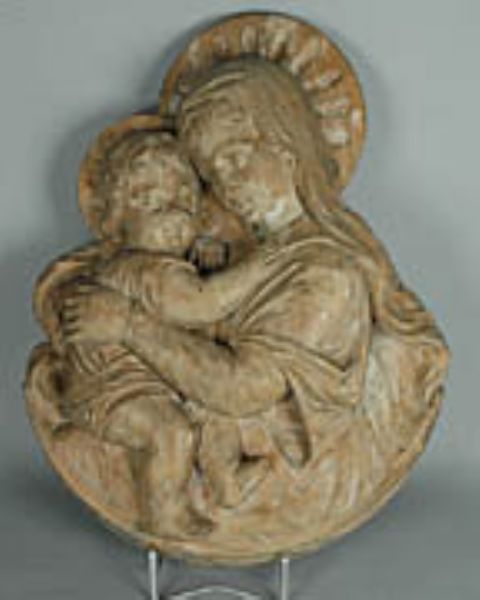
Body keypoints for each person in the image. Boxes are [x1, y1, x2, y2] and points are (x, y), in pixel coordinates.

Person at [61, 59, 448, 521]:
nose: (225, 183)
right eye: (211, 172)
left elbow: (238, 390)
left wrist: (127, 325)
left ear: (286, 144)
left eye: (236, 156)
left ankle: (205, 498)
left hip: (284, 472)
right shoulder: (238, 244)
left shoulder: (326, 274)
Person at [38, 128, 284, 533]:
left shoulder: (157, 267)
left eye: (184, 206)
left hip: (153, 382)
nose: (175, 220)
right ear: (119, 219)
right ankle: (165, 513)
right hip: (113, 394)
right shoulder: (144, 270)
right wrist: (259, 267)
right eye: (156, 207)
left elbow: (184, 299)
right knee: (173, 433)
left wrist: (203, 259)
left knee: (210, 411)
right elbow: (204, 302)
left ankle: (225, 482)